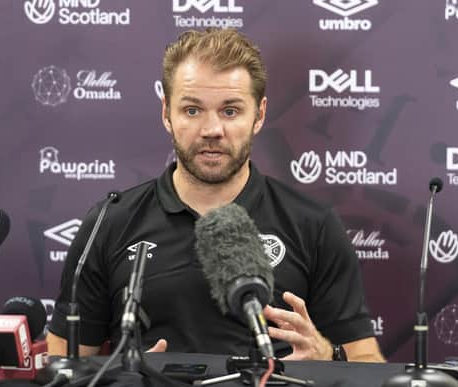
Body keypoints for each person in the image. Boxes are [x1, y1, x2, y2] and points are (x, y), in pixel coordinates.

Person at [47, 28, 384, 362]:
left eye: (230, 111)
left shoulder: (313, 224)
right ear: (166, 113)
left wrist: (326, 354)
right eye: (192, 110)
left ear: (260, 114)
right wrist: (124, 375)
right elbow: (64, 365)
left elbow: (367, 363)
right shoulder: (109, 222)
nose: (212, 130)